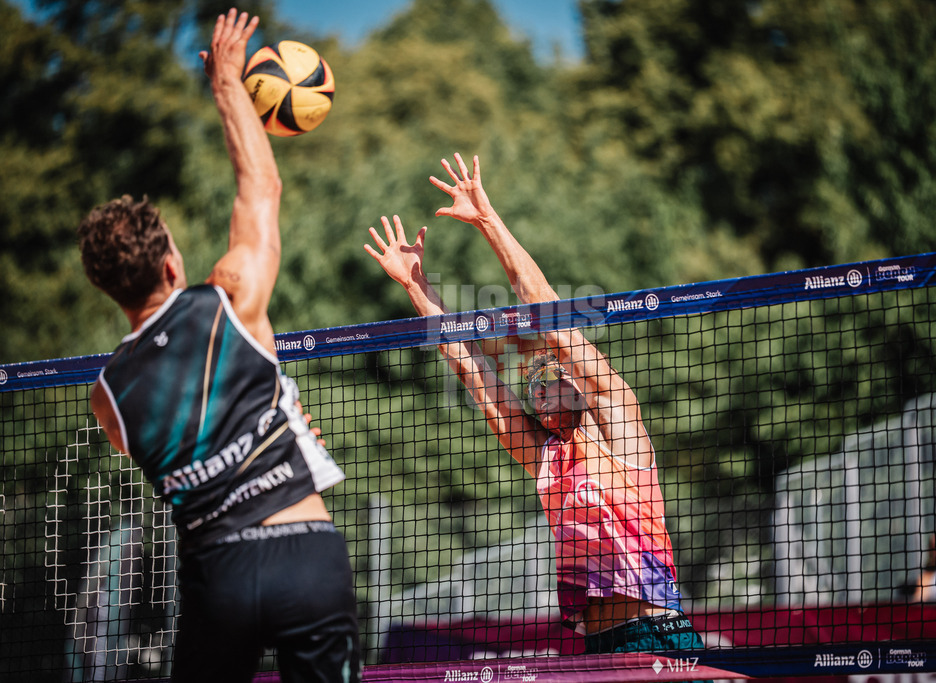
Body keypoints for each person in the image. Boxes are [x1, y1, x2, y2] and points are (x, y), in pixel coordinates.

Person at [77, 10, 360, 682]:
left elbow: (182, 428)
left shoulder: (107, 398)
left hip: (218, 572)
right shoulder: (231, 298)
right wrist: (229, 86)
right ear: (172, 263)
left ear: (105, 287)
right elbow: (261, 189)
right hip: (305, 554)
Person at [364, 153, 704, 655]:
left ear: (582, 384)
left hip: (661, 636)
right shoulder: (545, 458)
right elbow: (473, 372)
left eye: (554, 375)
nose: (541, 385)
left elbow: (544, 307)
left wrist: (486, 219)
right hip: (598, 645)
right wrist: (418, 285)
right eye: (534, 383)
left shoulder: (620, 424)